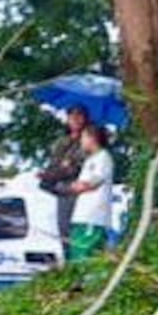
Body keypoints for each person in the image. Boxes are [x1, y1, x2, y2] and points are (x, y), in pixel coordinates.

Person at [37, 104, 89, 238]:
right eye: (72, 115)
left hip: (80, 190)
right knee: (64, 230)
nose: (75, 119)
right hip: (61, 190)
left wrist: (62, 169)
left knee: (78, 231)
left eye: (79, 115)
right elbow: (54, 164)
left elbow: (77, 168)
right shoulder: (62, 142)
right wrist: (52, 172)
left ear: (85, 118)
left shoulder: (89, 140)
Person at [65, 124, 114, 261]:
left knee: (86, 257)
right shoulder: (89, 159)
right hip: (81, 216)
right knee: (76, 254)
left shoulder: (103, 157)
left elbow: (93, 183)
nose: (81, 141)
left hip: (93, 217)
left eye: (83, 137)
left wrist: (79, 186)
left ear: (92, 138)